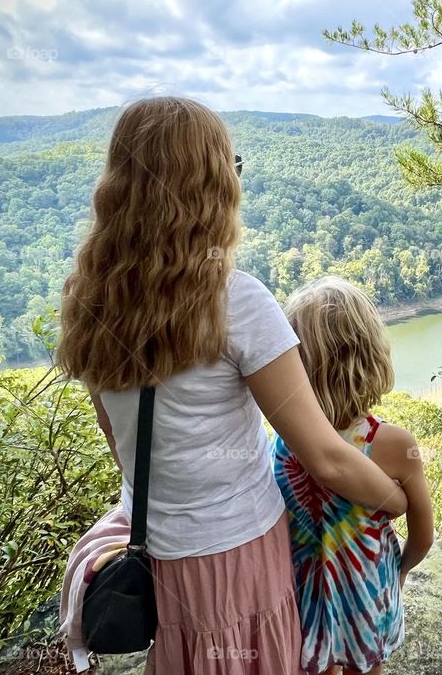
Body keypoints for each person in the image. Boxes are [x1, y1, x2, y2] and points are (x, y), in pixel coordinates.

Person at [55, 96, 408, 675]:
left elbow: (120, 439)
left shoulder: (89, 297)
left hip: (153, 541)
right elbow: (324, 455)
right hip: (235, 549)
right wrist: (394, 501)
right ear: (212, 186)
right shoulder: (236, 301)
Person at [273, 276, 435, 675]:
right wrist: (400, 572)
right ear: (371, 354)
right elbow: (423, 534)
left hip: (302, 590)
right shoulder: (394, 444)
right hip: (367, 589)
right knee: (368, 665)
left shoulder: (282, 440)